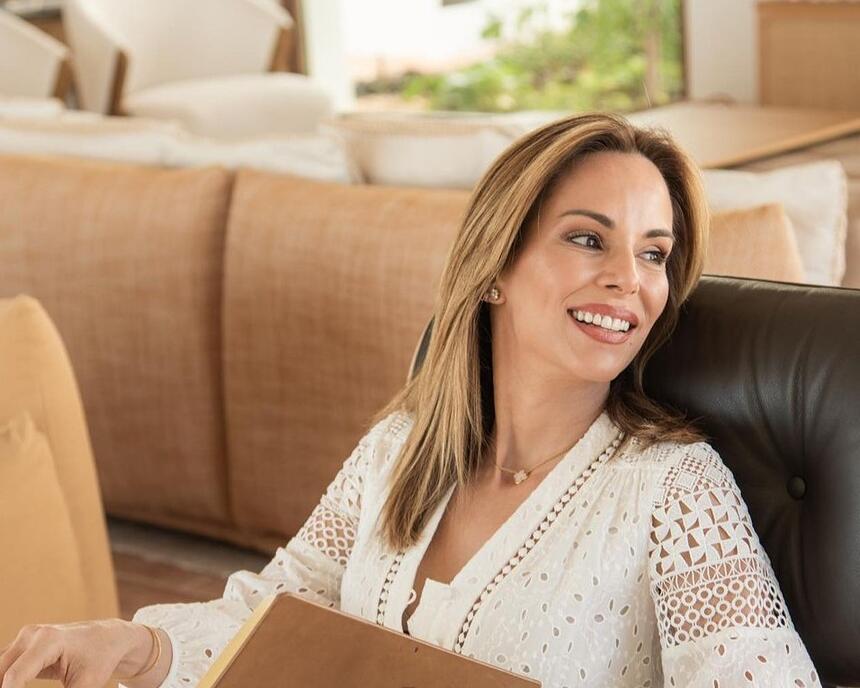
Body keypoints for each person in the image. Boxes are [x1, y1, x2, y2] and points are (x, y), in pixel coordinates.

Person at [0, 113, 821, 688]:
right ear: (496, 266)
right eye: (587, 237)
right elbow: (278, 611)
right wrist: (134, 647)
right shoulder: (401, 449)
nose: (629, 279)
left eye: (654, 253)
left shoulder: (674, 490)